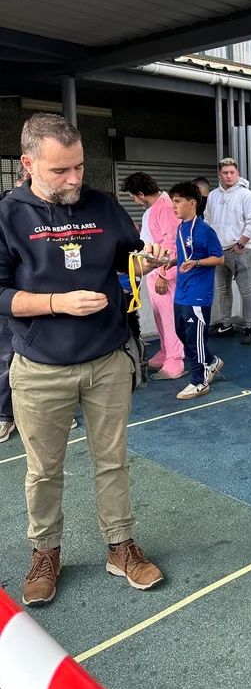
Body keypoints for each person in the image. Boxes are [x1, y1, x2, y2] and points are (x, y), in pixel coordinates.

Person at [0, 113, 166, 606]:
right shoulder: (8, 216)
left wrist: (149, 261)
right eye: (60, 170)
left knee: (112, 461)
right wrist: (56, 303)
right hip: (39, 367)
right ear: (29, 164)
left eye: (79, 167)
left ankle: (121, 546)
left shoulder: (103, 205)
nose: (74, 179)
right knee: (43, 470)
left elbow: (128, 260)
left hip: (106, 359)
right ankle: (46, 552)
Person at [120, 173, 185, 380]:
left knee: (169, 317)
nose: (134, 201)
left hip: (163, 271)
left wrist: (164, 275)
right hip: (153, 269)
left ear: (141, 194)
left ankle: (175, 359)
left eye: (133, 197)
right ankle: (166, 352)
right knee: (160, 316)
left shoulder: (165, 207)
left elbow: (172, 244)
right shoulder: (154, 208)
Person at [167, 183, 225, 400]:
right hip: (181, 291)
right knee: (182, 333)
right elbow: (186, 255)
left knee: (194, 339)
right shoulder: (180, 228)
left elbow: (219, 258)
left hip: (198, 293)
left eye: (177, 201)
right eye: (172, 201)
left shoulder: (205, 230)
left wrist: (197, 263)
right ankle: (211, 361)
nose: (173, 206)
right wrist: (172, 261)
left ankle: (199, 381)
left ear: (192, 203)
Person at [205, 157, 251, 343]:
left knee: (246, 291)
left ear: (237, 173)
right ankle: (226, 324)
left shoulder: (246, 195)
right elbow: (207, 220)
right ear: (219, 175)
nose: (229, 176)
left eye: (232, 172)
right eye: (225, 173)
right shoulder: (213, 195)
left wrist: (241, 244)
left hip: (238, 251)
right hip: (217, 252)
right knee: (222, 290)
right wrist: (209, 244)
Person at [0, 164, 27, 443]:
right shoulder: (5, 212)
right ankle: (5, 416)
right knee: (5, 359)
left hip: (43, 305)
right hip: (9, 300)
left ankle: (56, 412)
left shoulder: (53, 213)